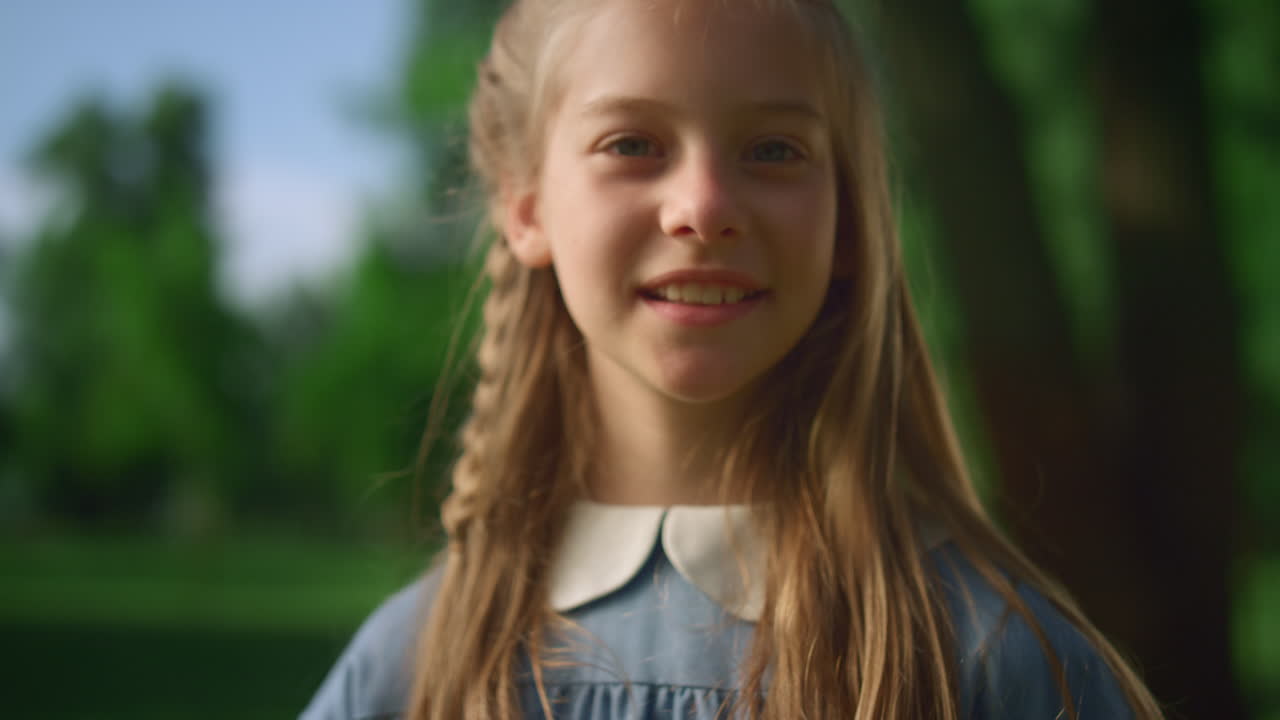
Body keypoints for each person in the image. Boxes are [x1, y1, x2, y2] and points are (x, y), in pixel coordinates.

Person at [302, 0, 1165, 718]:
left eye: (774, 150)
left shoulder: (999, 666)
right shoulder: (413, 671)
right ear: (525, 207)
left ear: (850, 221)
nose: (704, 207)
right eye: (633, 144)